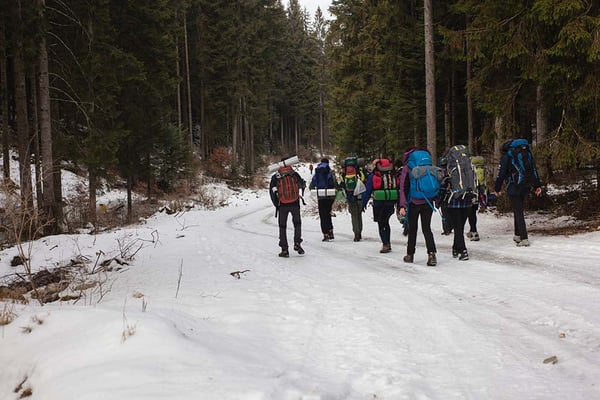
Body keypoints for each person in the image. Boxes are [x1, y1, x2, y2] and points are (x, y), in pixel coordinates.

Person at [494, 139, 542, 247]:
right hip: (526, 185)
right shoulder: (527, 154)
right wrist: (537, 185)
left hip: (513, 186)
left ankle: (524, 238)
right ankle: (517, 235)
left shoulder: (507, 156)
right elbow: (533, 170)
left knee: (518, 211)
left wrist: (497, 188)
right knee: (518, 209)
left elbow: (501, 174)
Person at [398, 147, 438, 266]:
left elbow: (403, 187)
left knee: (413, 229)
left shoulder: (408, 166)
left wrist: (402, 205)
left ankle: (410, 255)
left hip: (414, 202)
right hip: (428, 201)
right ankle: (432, 254)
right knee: (427, 229)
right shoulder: (428, 164)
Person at [269, 162, 306, 257]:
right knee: (297, 224)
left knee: (282, 226)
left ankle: (284, 249)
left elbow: (272, 192)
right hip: (295, 203)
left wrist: (276, 204)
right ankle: (297, 243)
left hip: (282, 204)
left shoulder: (276, 176)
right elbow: (301, 185)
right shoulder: (294, 173)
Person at [362, 158, 399, 253]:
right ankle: (388, 243)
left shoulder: (374, 176)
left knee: (381, 223)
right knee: (386, 222)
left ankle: (385, 244)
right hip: (390, 202)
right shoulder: (392, 175)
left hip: (379, 203)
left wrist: (363, 204)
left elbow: (368, 191)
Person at [340, 157, 368, 241]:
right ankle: (359, 232)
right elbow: (364, 179)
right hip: (359, 195)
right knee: (359, 214)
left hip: (350, 195)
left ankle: (356, 234)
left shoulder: (344, 172)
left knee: (354, 215)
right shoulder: (359, 171)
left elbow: (342, 182)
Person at [310, 158, 337, 241]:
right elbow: (334, 182)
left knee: (323, 215)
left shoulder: (317, 172)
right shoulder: (330, 171)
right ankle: (330, 231)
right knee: (328, 213)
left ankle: (325, 234)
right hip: (330, 196)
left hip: (321, 196)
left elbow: (312, 185)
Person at [467, 155, 488, 241]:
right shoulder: (482, 169)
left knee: (469, 213)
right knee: (473, 213)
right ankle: (473, 230)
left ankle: (474, 231)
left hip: (472, 194)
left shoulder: (471, 170)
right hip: (479, 194)